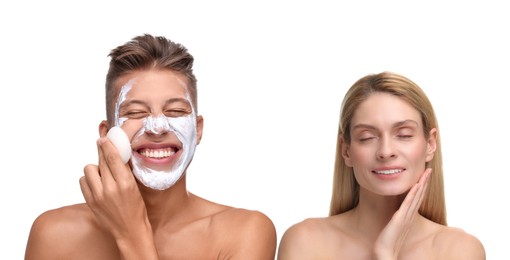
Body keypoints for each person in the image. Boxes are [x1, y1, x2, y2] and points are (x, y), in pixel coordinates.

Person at [25, 34, 277, 260]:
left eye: (176, 110)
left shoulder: (244, 232)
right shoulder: (54, 235)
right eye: (135, 112)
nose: (157, 126)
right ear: (106, 134)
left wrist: (132, 233)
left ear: (198, 129)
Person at [277, 72, 485, 259]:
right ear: (346, 150)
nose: (386, 151)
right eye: (367, 137)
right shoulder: (305, 242)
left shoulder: (460, 250)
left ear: (430, 144)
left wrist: (385, 253)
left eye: (403, 135)